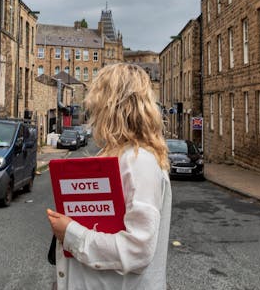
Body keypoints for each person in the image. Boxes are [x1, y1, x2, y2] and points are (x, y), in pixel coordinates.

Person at [47, 63, 172, 289]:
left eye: (98, 99)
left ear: (114, 105)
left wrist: (70, 233)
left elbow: (137, 250)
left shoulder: (138, 160)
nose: (93, 110)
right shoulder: (123, 155)